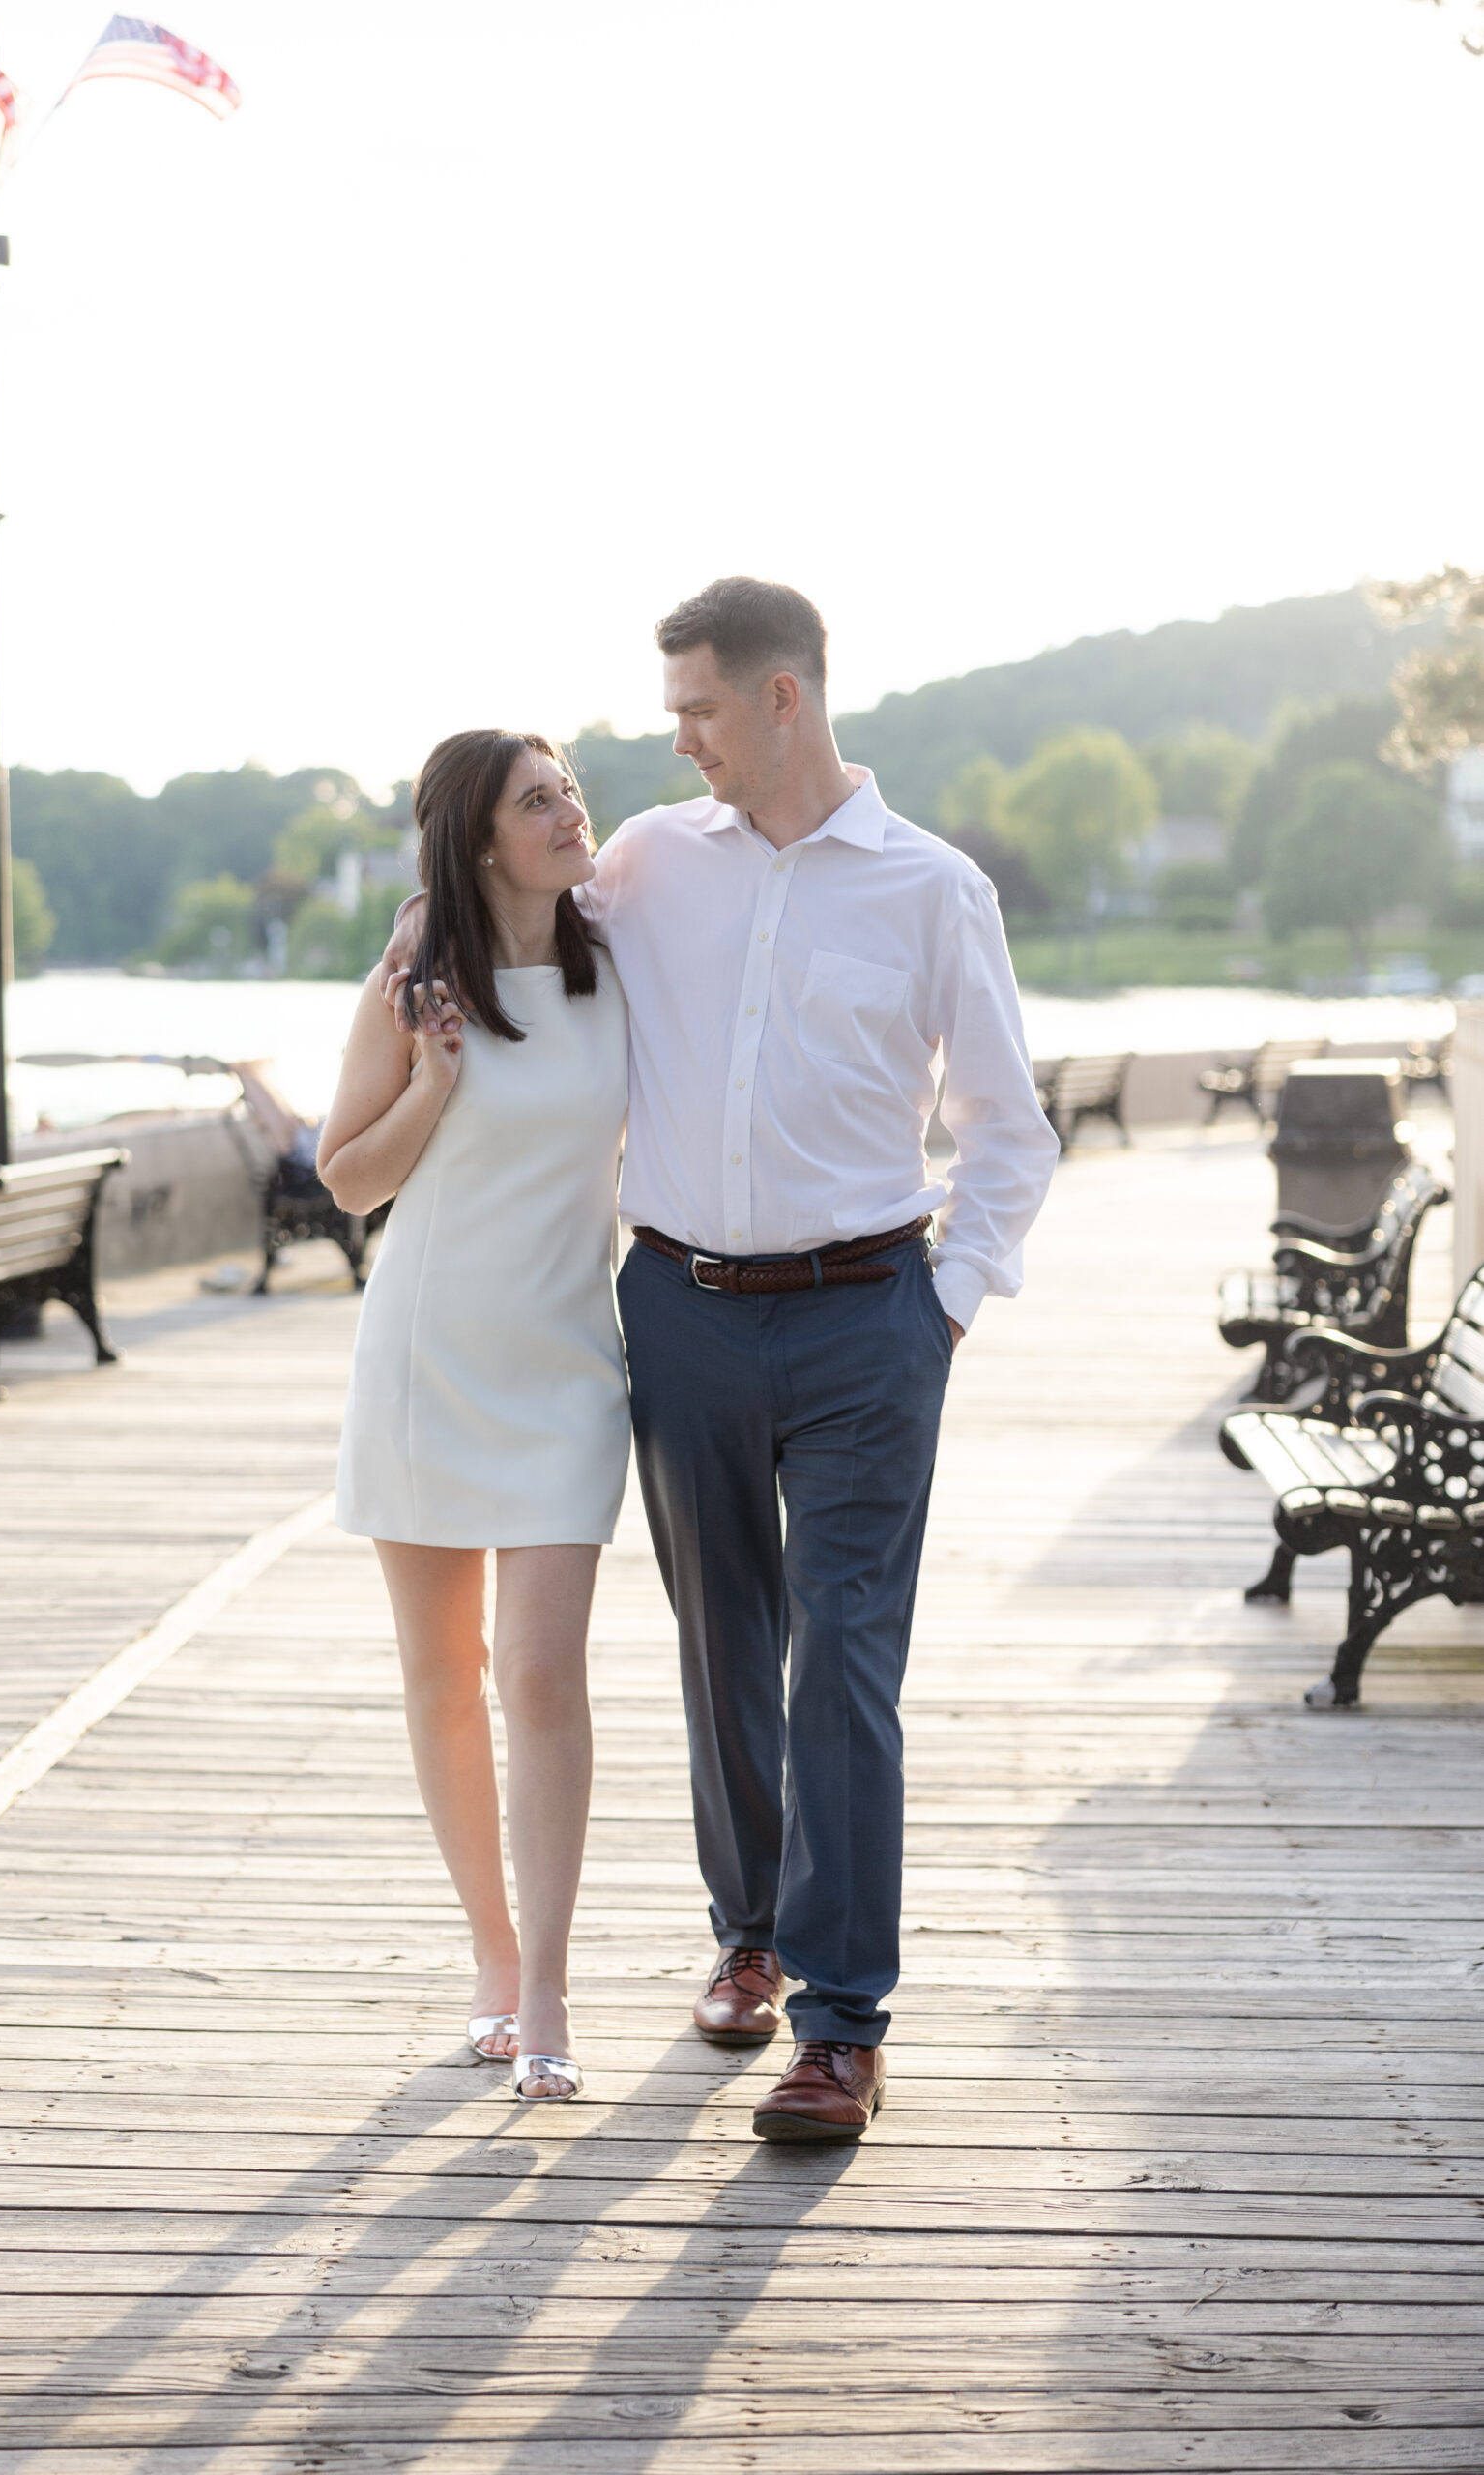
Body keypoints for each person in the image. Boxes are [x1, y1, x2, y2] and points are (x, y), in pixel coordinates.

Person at [389, 579, 1057, 2140]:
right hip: (678, 1308)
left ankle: (840, 2021)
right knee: (721, 1641)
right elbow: (519, 939)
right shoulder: (643, 860)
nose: (672, 735)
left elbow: (1006, 1130)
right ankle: (747, 1935)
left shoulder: (933, 886)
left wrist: (940, 1307)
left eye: (694, 707)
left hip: (865, 1316)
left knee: (844, 1651)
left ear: (782, 699)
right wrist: (423, 936)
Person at [319, 729, 628, 2103]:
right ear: (482, 838)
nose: (570, 811)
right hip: (426, 1363)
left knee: (542, 1674)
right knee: (445, 1680)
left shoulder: (621, 960)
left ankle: (553, 1984)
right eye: (538, 799)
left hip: (571, 1369)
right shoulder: (413, 983)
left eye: (570, 790)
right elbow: (345, 1180)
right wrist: (435, 1082)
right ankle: (494, 1964)